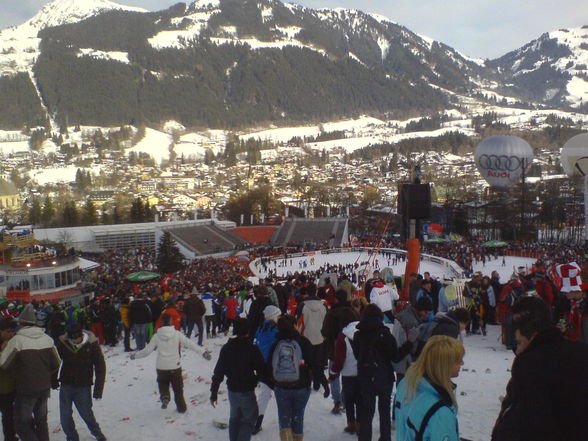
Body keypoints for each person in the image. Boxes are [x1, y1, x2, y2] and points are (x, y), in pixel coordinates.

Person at [492, 296, 588, 441]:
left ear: (532, 334)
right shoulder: (580, 352)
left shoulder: (529, 364)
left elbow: (518, 421)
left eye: (518, 343)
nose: (517, 351)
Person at [352, 304, 415, 441]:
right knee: (384, 410)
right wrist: (409, 343)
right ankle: (385, 437)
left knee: (366, 412)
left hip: (365, 377)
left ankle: (364, 437)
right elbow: (396, 357)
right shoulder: (385, 334)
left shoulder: (358, 335)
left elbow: (357, 355)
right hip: (384, 376)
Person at [0, 303, 61, 441]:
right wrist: (44, 373)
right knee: (41, 422)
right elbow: (57, 363)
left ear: (21, 323)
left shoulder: (17, 341)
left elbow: (4, 363)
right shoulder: (47, 339)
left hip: (26, 387)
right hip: (44, 387)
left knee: (21, 424)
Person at [131, 313, 211, 412]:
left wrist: (135, 355)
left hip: (161, 366)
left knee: (163, 383)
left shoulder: (156, 336)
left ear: (161, 323)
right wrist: (203, 352)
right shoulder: (177, 334)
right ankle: (181, 408)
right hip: (175, 366)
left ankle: (165, 396)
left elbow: (147, 351)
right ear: (171, 322)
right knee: (178, 389)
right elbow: (190, 344)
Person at [211, 318, 271, 441]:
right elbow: (262, 370)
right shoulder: (251, 348)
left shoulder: (227, 348)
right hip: (246, 390)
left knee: (234, 419)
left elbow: (219, 372)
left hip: (232, 391)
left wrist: (214, 392)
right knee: (247, 421)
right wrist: (269, 383)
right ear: (248, 331)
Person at [394, 335, 465, 441]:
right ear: (444, 364)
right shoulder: (440, 413)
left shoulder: (406, 384)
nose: (462, 363)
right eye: (458, 360)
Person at [55, 323, 107, 441]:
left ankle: (97, 432)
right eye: (72, 339)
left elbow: (100, 366)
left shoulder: (91, 344)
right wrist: (53, 379)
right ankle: (72, 437)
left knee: (86, 413)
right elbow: (55, 362)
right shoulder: (63, 344)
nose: (75, 341)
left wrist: (98, 390)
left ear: (82, 335)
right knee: (65, 416)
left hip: (83, 385)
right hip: (66, 384)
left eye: (77, 339)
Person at [269, 316, 315, 441]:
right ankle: (297, 438)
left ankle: (286, 438)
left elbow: (270, 365)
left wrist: (271, 382)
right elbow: (313, 362)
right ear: (294, 325)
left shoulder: (276, 344)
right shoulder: (303, 342)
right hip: (301, 385)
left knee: (284, 417)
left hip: (281, 386)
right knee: (298, 416)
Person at [321, 289, 359, 414]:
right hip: (352, 347)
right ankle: (344, 398)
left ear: (336, 299)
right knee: (348, 375)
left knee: (334, 375)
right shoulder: (353, 312)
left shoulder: (331, 313)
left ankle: (337, 400)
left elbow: (324, 332)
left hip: (333, 347)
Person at [252, 305, 281, 434]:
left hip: (262, 369)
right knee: (282, 396)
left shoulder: (260, 329)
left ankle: (256, 423)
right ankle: (287, 423)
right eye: (278, 315)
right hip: (275, 368)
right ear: (274, 316)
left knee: (263, 396)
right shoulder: (276, 331)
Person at [329, 320, 361, 435]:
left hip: (348, 374)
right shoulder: (365, 332)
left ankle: (351, 424)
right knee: (360, 400)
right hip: (362, 373)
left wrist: (333, 374)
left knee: (349, 401)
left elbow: (339, 360)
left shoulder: (343, 337)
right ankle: (360, 424)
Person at [0, 318, 17, 441]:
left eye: (12, 331)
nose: (11, 334)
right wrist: (3, 351)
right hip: (3, 388)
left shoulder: (14, 341)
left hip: (16, 384)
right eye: (8, 331)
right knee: (7, 415)